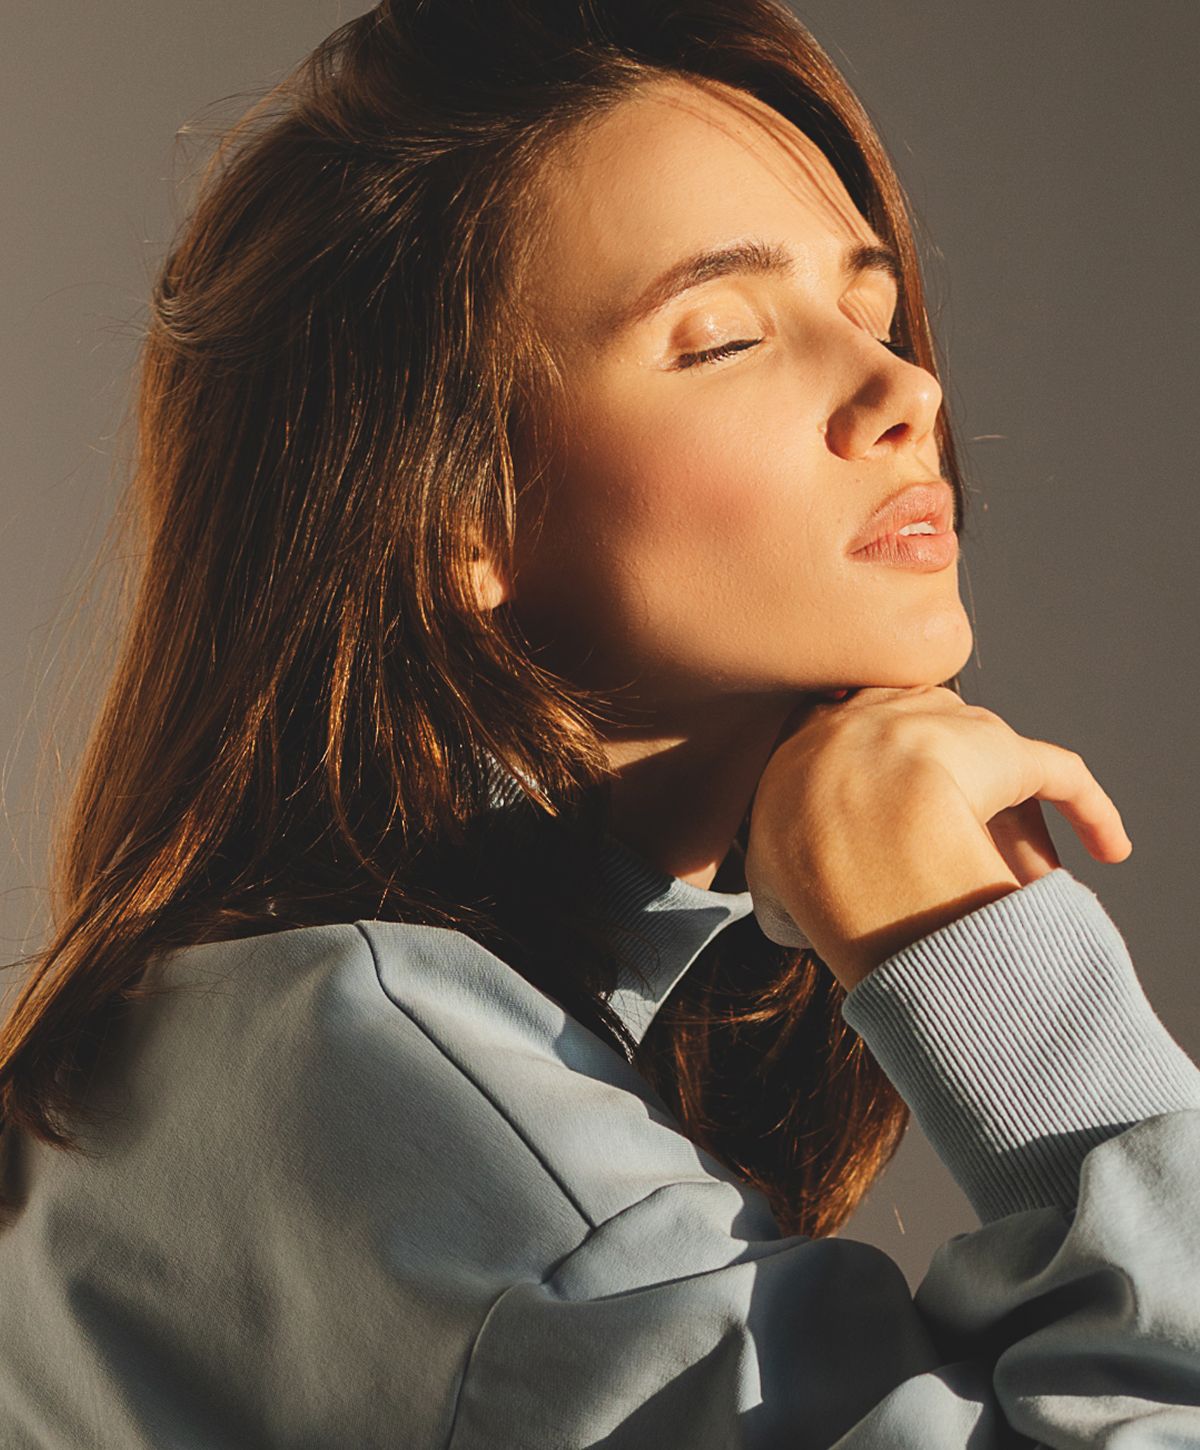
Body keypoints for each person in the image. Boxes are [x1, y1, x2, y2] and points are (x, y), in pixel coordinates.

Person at [1, 1, 1197, 1445]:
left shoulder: (300, 1041)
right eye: (727, 337)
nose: (905, 390)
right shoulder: (377, 1076)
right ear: (452, 505)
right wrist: (977, 949)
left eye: (870, 311)